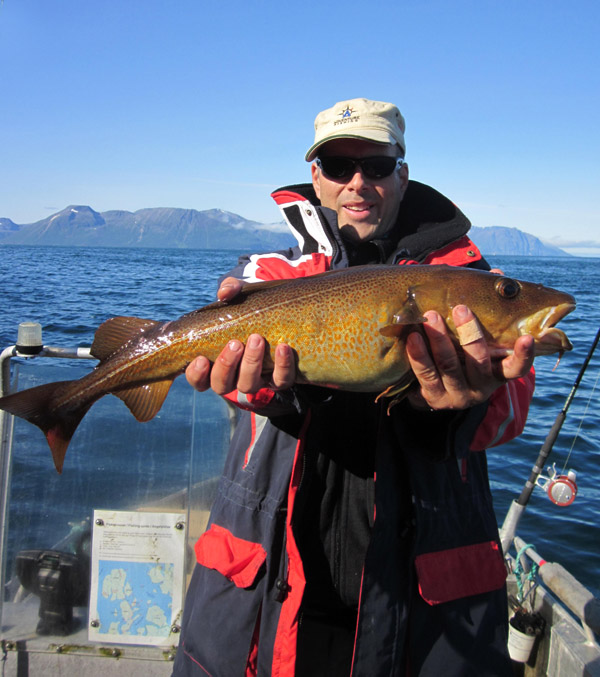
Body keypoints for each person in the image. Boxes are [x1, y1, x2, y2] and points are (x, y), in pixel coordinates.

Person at [172, 98, 535, 676]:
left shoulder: (469, 283)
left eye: (377, 165)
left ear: (402, 174)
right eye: (339, 167)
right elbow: (244, 390)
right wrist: (261, 390)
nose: (357, 183)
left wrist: (457, 404)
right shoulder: (267, 275)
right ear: (316, 179)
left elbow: (513, 403)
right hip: (274, 584)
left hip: (424, 602)